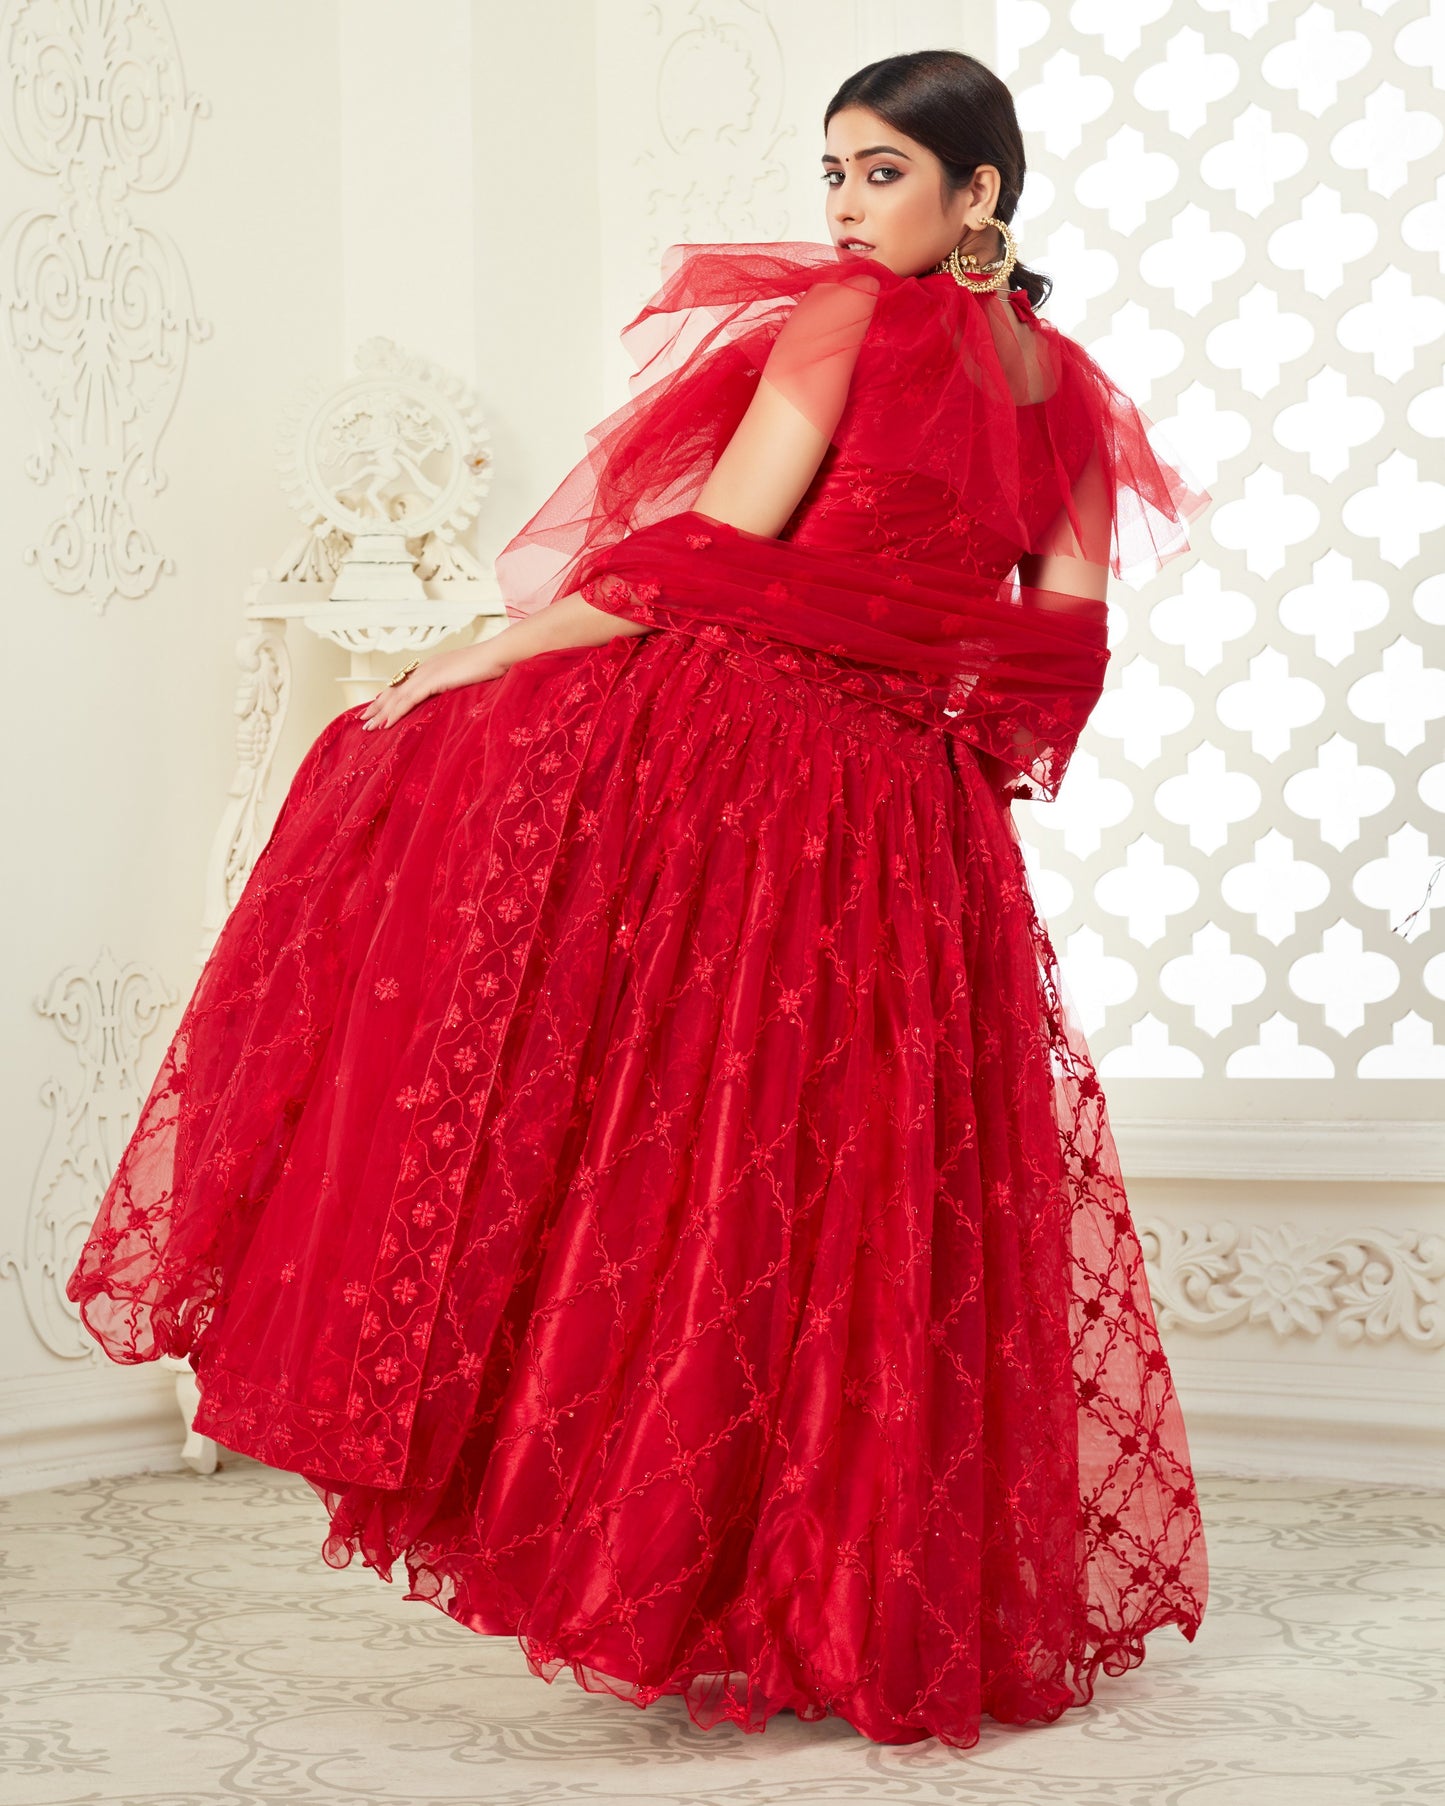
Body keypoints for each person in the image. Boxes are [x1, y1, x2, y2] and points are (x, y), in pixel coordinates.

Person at [66, 49, 1211, 1749]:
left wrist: (485, 651)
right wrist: (933, 725)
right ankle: (836, 1604)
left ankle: (683, 1574)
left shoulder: (839, 322)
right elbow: (1060, 646)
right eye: (832, 172)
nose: (843, 208)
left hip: (757, 774)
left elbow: (715, 551)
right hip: (921, 820)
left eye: (881, 172)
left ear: (978, 191)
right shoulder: (1069, 395)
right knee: (853, 1187)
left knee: (672, 1152)